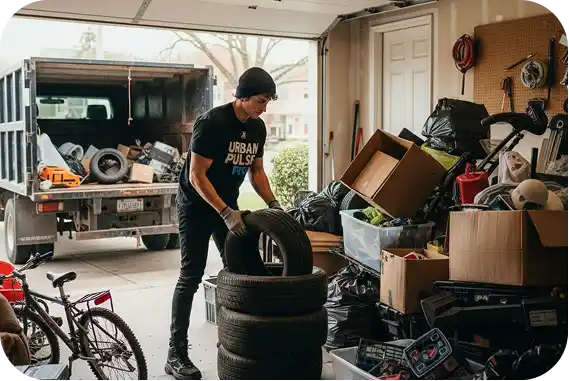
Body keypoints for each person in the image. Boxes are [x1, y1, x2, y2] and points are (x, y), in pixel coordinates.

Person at [165, 67, 283, 380]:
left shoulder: (257, 129)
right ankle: (175, 353)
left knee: (249, 267)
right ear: (242, 96)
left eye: (268, 101)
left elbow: (256, 173)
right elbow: (196, 175)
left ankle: (252, 339)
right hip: (198, 208)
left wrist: (274, 204)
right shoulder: (212, 123)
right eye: (260, 100)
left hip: (228, 207)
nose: (264, 107)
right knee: (191, 276)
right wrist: (225, 213)